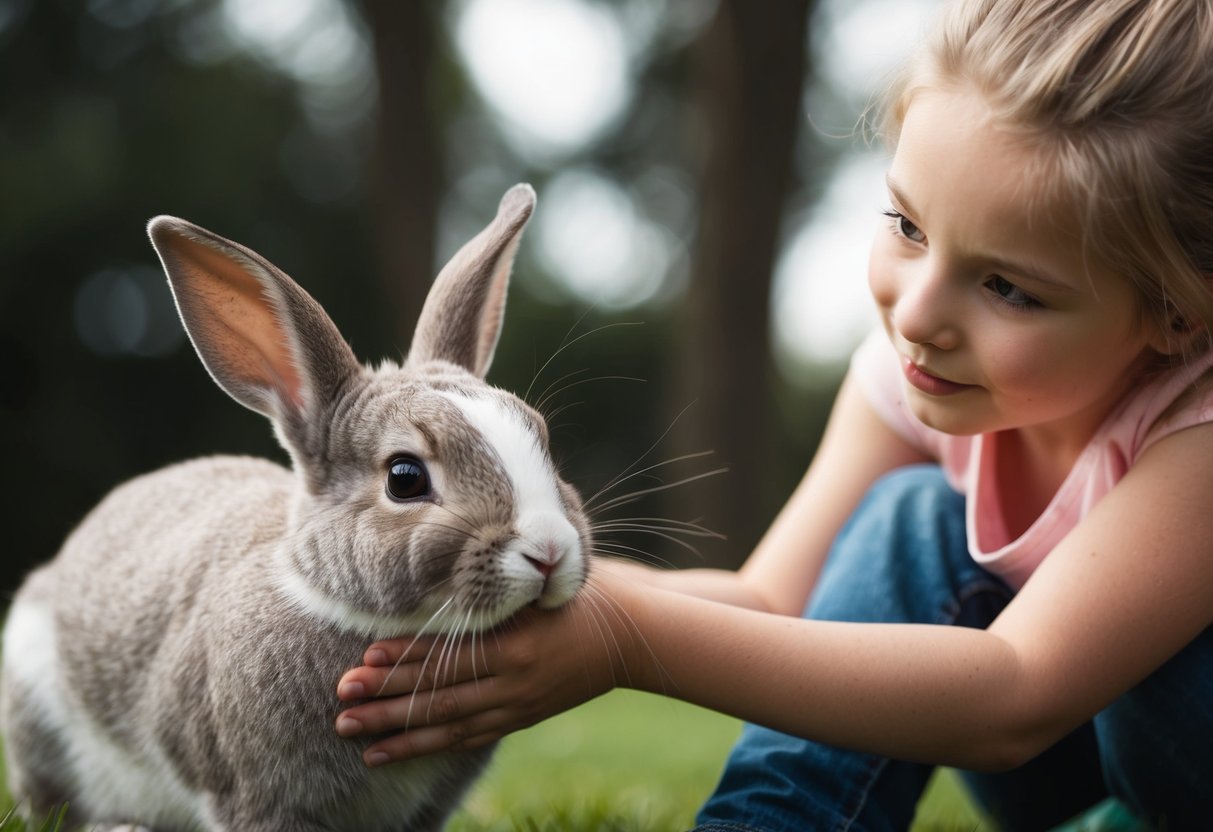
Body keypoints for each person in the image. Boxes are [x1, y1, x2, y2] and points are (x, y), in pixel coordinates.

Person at [331, 0, 1213, 828]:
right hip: (1077, 764)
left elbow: (1016, 691)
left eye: (1007, 287)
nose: (913, 314)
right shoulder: (914, 376)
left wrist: (625, 644)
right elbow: (768, 603)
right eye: (905, 226)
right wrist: (494, 569)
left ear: (1179, 311)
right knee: (909, 524)